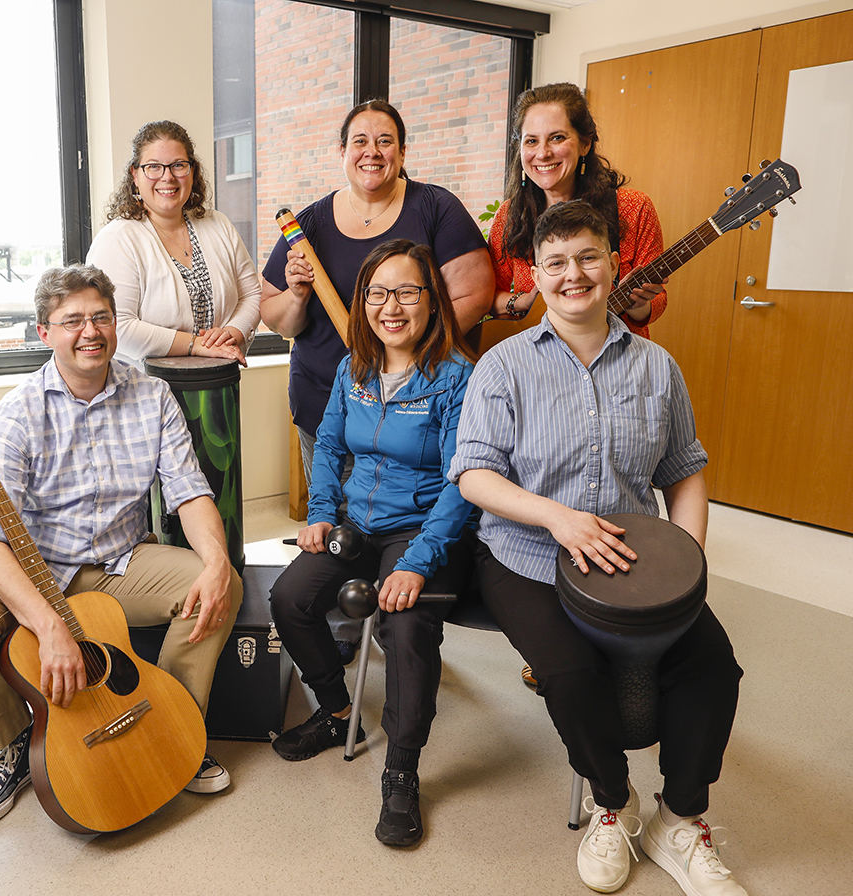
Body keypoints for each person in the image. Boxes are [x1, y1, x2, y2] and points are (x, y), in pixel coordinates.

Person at [450, 202, 746, 896]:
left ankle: (681, 819)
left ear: (615, 264)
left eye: (587, 257)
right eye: (555, 262)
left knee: (712, 669)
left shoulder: (657, 366)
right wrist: (559, 520)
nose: (573, 274)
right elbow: (475, 474)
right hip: (526, 554)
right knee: (570, 673)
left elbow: (684, 472)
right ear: (535, 274)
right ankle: (612, 803)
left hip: (635, 560)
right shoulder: (502, 366)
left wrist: (686, 565)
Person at [0, 264, 243, 829]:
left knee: (221, 584)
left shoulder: (153, 396)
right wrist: (49, 627)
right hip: (35, 565)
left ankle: (174, 726)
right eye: (72, 321)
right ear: (44, 332)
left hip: (120, 562)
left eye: (101, 317)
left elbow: (190, 493)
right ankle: (16, 745)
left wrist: (216, 562)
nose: (90, 332)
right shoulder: (19, 410)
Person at [261, 99, 493, 656]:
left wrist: (412, 354)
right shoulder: (310, 223)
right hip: (331, 395)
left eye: (385, 140)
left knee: (400, 541)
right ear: (342, 151)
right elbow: (279, 319)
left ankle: (396, 637)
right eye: (359, 141)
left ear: (403, 151)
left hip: (416, 400)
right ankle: (343, 636)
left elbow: (476, 290)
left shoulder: (435, 207)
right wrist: (298, 292)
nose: (372, 152)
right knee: (336, 531)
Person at [269, 240, 476, 848]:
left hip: (422, 530)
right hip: (356, 522)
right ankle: (338, 714)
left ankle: (402, 770)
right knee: (289, 598)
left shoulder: (457, 378)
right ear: (362, 302)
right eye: (378, 293)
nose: (392, 307)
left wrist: (417, 563)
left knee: (404, 628)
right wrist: (320, 515)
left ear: (431, 301)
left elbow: (464, 481)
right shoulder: (353, 368)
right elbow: (330, 446)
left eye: (407, 292)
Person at [488, 82, 667, 339]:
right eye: (531, 141)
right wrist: (525, 301)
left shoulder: (633, 208)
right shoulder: (508, 216)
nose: (543, 153)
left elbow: (657, 301)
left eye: (557, 138)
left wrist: (638, 304)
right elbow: (489, 296)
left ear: (585, 144)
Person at [86, 120, 261, 369]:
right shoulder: (117, 239)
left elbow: (252, 294)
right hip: (143, 387)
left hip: (217, 382)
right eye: (153, 167)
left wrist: (230, 334)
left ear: (192, 171)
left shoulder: (218, 224)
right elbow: (116, 324)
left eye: (178, 165)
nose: (167, 177)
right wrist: (195, 345)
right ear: (135, 175)